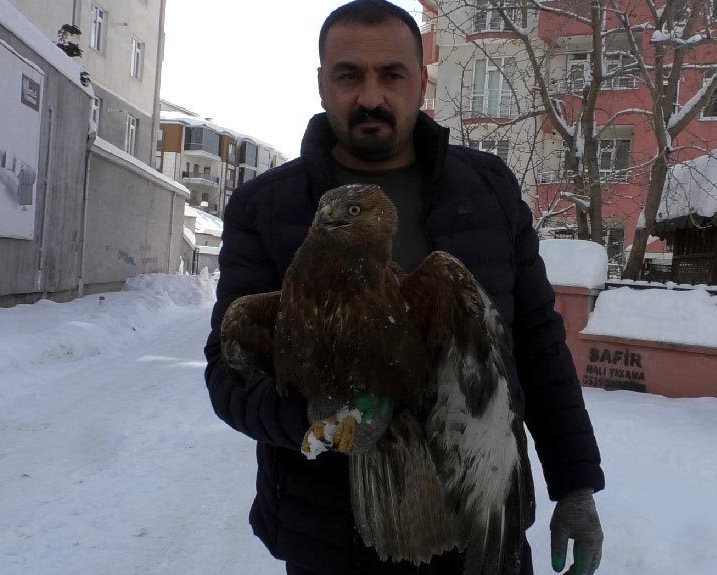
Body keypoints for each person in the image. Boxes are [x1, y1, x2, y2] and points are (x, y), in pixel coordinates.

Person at [203, 1, 605, 573]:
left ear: (421, 81)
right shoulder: (266, 207)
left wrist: (576, 484)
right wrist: (317, 419)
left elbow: (538, 345)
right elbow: (229, 371)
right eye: (349, 75)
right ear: (322, 85)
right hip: (329, 538)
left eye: (391, 74)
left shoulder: (488, 190)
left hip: (481, 526)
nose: (371, 96)